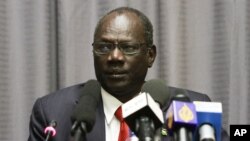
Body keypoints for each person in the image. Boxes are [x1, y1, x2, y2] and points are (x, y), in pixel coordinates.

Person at [28, 7, 229, 141]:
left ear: (150, 55)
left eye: (128, 47)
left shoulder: (190, 108)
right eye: (104, 46)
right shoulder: (52, 112)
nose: (114, 57)